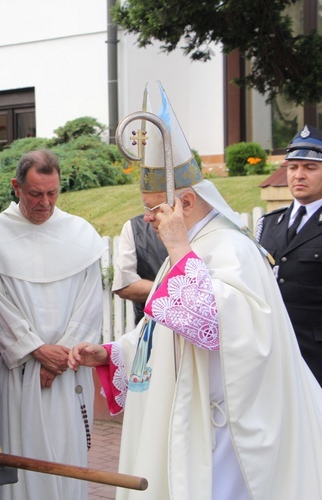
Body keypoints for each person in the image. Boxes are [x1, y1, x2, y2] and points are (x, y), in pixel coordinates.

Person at [69, 83, 322, 500]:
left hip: (220, 435)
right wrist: (117, 352)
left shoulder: (230, 249)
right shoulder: (185, 253)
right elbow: (161, 331)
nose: (147, 219)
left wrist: (179, 248)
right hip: (182, 415)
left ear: (185, 203)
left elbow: (222, 327)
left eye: (153, 209)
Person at [0, 149, 106, 500]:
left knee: (65, 452)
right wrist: (36, 350)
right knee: (19, 457)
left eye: (52, 193)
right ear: (16, 187)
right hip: (18, 371)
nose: (45, 203)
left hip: (67, 372)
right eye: (35, 194)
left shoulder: (80, 234)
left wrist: (61, 359)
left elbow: (89, 305)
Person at [256, 125, 322, 385]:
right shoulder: (269, 224)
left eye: (310, 168)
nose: (299, 175)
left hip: (316, 354)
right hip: (274, 350)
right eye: (293, 167)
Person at [112, 214, 167, 324]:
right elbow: (124, 286)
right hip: (149, 329)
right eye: (147, 207)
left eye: (155, 208)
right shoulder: (135, 227)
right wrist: (174, 290)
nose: (148, 217)